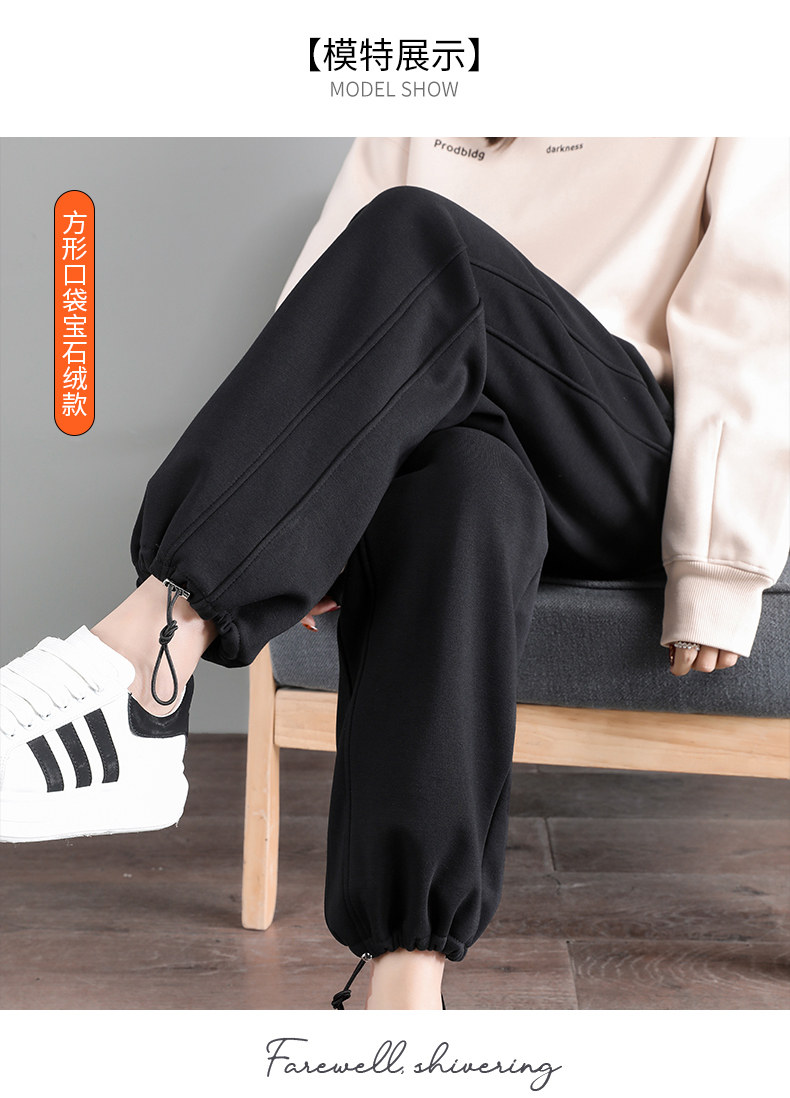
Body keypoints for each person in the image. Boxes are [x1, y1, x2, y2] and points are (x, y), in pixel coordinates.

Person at [1, 137, 788, 1010]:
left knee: (422, 236)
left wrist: (718, 560)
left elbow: (752, 314)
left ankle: (146, 658)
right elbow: (329, 308)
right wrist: (313, 505)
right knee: (462, 485)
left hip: (619, 453)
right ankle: (406, 989)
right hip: (469, 434)